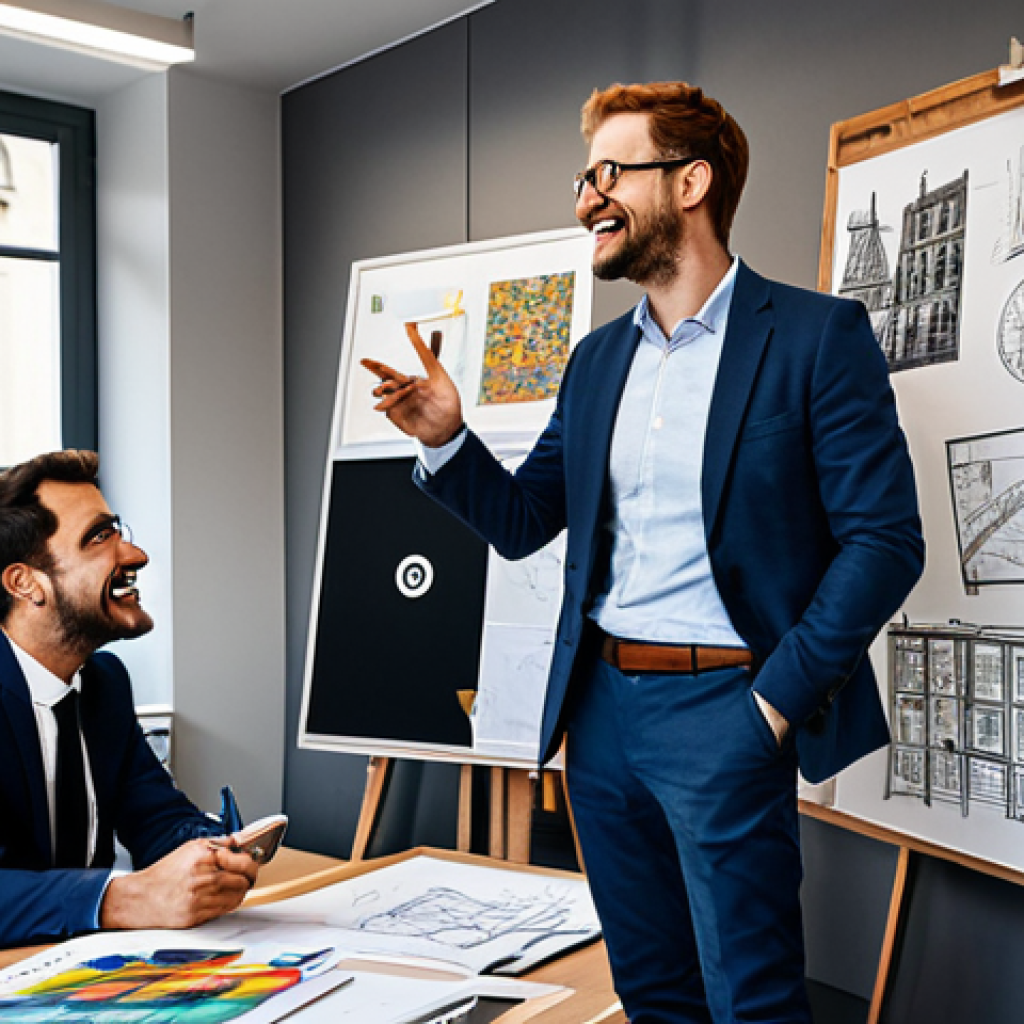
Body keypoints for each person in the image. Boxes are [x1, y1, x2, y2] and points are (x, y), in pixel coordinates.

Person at [362, 81, 924, 1024]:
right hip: (602, 718)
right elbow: (523, 520)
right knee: (652, 992)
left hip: (729, 710)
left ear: (692, 181)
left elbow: (884, 540)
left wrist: (772, 706)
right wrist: (445, 441)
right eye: (586, 177)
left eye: (610, 173)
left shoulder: (816, 339)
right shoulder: (593, 363)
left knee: (752, 1000)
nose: (587, 198)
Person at [0, 450, 258, 949]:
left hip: (88, 973)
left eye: (117, 531)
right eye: (99, 538)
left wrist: (213, 850)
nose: (134, 555)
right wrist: (123, 898)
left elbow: (156, 817)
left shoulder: (105, 683)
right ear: (25, 583)